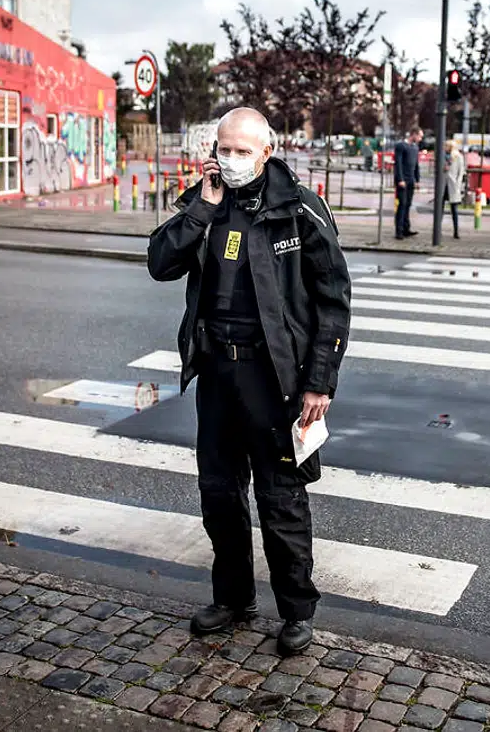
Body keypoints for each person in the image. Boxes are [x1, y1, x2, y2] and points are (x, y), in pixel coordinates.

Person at [147, 107, 352, 656]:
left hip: (275, 378)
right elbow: (160, 263)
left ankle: (296, 610)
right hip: (217, 372)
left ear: (267, 151)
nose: (231, 160)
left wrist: (319, 381)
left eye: (242, 150)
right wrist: (202, 209)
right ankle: (233, 598)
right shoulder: (206, 202)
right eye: (224, 149)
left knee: (280, 496)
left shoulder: (298, 209)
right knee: (218, 491)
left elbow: (333, 300)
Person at [393, 128, 423, 239]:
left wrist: (417, 179)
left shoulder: (415, 148)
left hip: (411, 180)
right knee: (402, 204)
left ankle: (406, 228)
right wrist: (400, 179)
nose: (420, 139)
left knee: (408, 205)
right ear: (413, 134)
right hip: (403, 180)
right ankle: (399, 230)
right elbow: (398, 164)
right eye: (419, 136)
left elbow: (416, 165)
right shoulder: (401, 146)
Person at [444, 138, 467, 239]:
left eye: (446, 146)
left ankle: (456, 231)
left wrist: (458, 186)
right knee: (440, 208)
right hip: (443, 184)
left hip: (453, 185)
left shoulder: (458, 157)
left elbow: (461, 172)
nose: (445, 148)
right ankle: (437, 230)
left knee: (454, 209)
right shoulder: (443, 156)